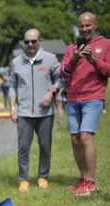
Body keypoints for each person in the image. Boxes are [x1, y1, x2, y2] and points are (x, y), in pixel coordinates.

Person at [60, 12, 110, 196]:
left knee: (85, 137)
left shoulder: (106, 44)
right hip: (73, 98)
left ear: (95, 24)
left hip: (93, 97)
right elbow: (63, 74)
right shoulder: (71, 48)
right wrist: (74, 58)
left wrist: (93, 60)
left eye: (88, 25)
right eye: (81, 26)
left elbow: (108, 70)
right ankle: (83, 178)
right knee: (75, 139)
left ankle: (91, 182)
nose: (85, 29)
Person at [9, 29, 63, 192]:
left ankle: (42, 177)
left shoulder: (50, 59)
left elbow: (60, 78)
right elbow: (12, 85)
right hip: (24, 112)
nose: (30, 44)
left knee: (45, 146)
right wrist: (12, 107)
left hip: (45, 113)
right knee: (23, 147)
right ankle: (24, 179)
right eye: (27, 42)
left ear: (40, 41)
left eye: (33, 41)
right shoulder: (17, 62)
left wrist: (51, 93)